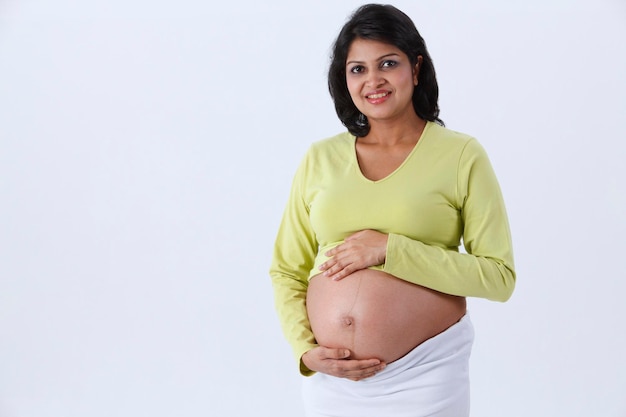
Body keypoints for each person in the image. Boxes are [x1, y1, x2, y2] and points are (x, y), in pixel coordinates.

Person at [269, 4, 515, 417]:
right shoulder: (320, 158)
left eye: (388, 63)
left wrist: (391, 249)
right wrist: (306, 352)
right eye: (357, 69)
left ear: (416, 68)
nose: (373, 81)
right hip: (335, 382)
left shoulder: (460, 155)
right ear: (343, 78)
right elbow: (286, 270)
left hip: (426, 374)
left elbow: (498, 277)